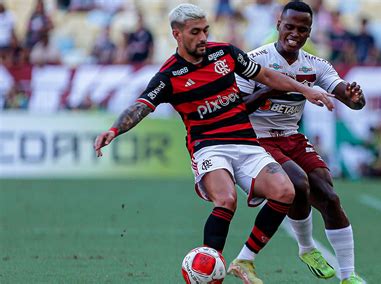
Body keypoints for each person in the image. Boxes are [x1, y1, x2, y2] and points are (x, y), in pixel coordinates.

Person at [93, 4, 334, 284]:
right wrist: (114, 129)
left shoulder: (225, 53)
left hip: (246, 143)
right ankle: (207, 275)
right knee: (226, 199)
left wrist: (306, 89)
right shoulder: (169, 76)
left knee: (285, 192)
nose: (203, 37)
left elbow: (266, 75)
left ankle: (244, 260)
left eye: (205, 30)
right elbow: (141, 106)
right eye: (195, 32)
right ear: (177, 34)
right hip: (210, 147)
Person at [236, 2, 365, 283]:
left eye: (302, 29)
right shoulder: (255, 59)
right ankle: (307, 248)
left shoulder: (315, 64)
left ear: (309, 32)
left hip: (291, 137)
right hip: (258, 138)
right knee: (298, 183)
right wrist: (277, 84)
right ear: (278, 24)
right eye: (290, 26)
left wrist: (355, 98)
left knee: (329, 197)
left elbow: (346, 94)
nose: (295, 33)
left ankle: (348, 275)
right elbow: (238, 109)